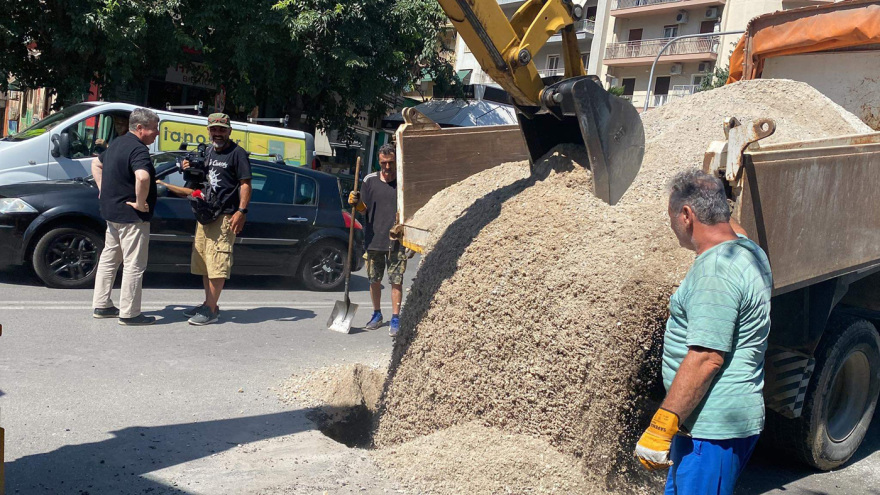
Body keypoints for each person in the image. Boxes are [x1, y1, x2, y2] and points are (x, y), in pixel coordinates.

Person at [634, 169, 773, 494]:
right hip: (715, 423)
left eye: (672, 217)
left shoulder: (715, 272)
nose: (671, 227)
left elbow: (707, 357)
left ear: (687, 215)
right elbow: (734, 227)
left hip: (712, 431)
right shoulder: (748, 251)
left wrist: (661, 426)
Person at [180, 113, 252, 326]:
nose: (218, 133)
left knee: (218, 262)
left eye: (222, 129)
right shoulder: (208, 151)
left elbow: (246, 184)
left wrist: (241, 211)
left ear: (229, 131)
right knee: (206, 264)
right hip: (206, 214)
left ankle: (210, 310)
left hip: (225, 216)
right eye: (214, 129)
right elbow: (201, 177)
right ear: (208, 130)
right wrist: (188, 167)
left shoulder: (237, 154)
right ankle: (209, 303)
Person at [91, 108, 160, 326]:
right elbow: (142, 176)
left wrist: (103, 189)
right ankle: (130, 314)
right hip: (132, 218)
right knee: (134, 265)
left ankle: (102, 305)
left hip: (112, 214)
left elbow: (96, 163)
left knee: (109, 260)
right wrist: (141, 203)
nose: (156, 133)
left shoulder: (117, 143)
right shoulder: (138, 150)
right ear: (140, 128)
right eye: (154, 129)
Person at [348, 143, 406, 336]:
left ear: (395, 161)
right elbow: (364, 210)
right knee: (374, 280)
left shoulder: (403, 182)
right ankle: (377, 314)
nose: (387, 167)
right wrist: (356, 203)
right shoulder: (369, 181)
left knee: (396, 280)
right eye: (383, 163)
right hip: (373, 239)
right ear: (379, 162)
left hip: (397, 240)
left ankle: (396, 317)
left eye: (390, 163)